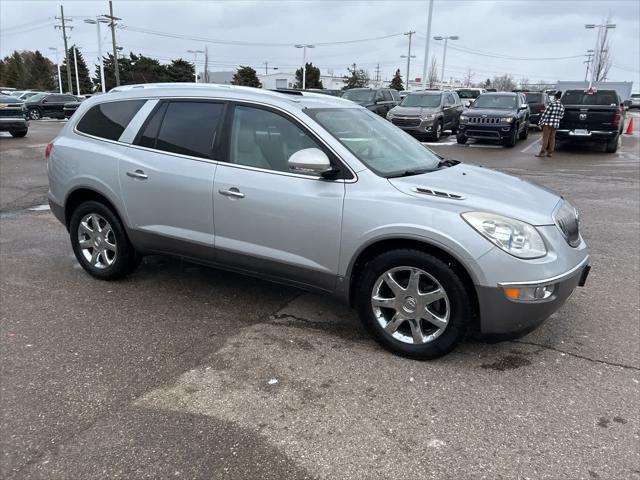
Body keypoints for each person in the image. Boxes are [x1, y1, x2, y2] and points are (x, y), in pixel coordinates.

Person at [536, 91, 565, 158]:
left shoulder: (551, 104)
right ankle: (550, 153)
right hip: (555, 124)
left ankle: (542, 152)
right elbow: (561, 116)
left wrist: (540, 123)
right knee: (552, 138)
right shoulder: (561, 105)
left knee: (545, 138)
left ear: (555, 97)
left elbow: (545, 114)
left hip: (548, 124)